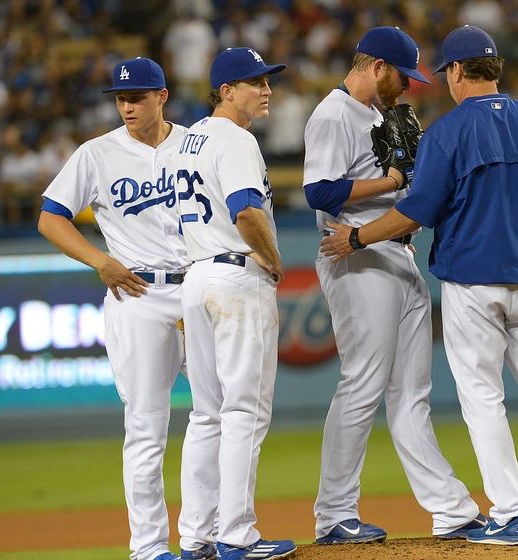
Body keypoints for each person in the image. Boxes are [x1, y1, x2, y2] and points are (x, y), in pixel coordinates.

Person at [321, 24, 518, 545]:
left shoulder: (448, 132)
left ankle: (510, 513)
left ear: (456, 71)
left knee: (482, 398)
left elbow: (415, 212)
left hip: (474, 284)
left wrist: (358, 236)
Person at [302, 25, 485, 544]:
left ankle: (450, 508)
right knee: (362, 383)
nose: (408, 87)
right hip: (355, 254)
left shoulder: (383, 116)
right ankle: (334, 514)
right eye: (401, 77)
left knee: (412, 395)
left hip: (398, 252)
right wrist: (397, 180)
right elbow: (320, 191)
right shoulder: (333, 113)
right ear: (376, 66)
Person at [38, 57, 188, 560]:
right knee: (146, 425)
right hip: (136, 294)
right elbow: (51, 218)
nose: (126, 105)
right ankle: (148, 548)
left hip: (198, 288)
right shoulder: (97, 153)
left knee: (220, 414)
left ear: (162, 96)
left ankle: (208, 534)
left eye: (137, 96)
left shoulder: (195, 143)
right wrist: (99, 259)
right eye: (121, 98)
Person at [174, 48, 295, 560]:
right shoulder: (237, 138)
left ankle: (196, 536)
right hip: (235, 275)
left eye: (267, 80)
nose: (266, 89)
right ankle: (236, 536)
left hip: (197, 276)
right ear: (226, 90)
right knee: (244, 410)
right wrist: (272, 257)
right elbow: (246, 211)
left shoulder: (183, 143)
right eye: (255, 82)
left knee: (206, 414)